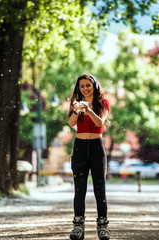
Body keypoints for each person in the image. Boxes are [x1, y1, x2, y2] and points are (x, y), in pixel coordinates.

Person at [68, 74, 110, 240]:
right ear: (79, 88)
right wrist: (77, 110)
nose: (85, 88)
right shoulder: (76, 104)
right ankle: (78, 226)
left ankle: (103, 227)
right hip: (79, 147)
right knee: (80, 190)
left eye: (88, 85)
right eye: (82, 86)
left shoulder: (102, 103)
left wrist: (89, 110)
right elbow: (71, 123)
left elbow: (100, 123)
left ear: (95, 86)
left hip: (96, 148)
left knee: (100, 191)